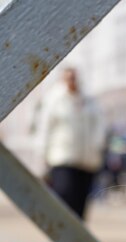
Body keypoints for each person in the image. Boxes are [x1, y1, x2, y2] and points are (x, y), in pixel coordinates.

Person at [38, 67, 106, 219]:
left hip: (87, 160)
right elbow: (44, 128)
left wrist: (98, 146)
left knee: (81, 200)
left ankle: (77, 236)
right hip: (62, 158)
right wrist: (42, 154)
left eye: (73, 77)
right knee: (64, 195)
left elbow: (99, 125)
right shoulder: (54, 99)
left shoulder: (89, 100)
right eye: (67, 78)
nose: (71, 81)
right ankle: (62, 230)